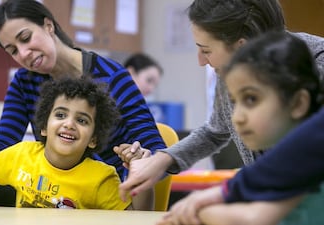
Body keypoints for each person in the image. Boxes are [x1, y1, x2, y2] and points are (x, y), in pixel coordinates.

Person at [0, 0, 165, 206]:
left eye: (26, 38)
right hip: (48, 190)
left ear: (48, 25)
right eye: (13, 50)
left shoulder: (112, 76)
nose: (24, 53)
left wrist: (136, 162)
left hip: (98, 195)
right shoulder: (24, 82)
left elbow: (157, 152)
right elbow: (3, 156)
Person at [116, 0, 324, 200]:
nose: (200, 61)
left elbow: (304, 159)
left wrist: (231, 191)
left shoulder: (317, 64)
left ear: (241, 47)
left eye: (206, 50)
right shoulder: (232, 69)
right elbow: (215, 130)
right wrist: (162, 160)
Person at [156, 31, 324, 225]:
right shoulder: (273, 166)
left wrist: (197, 212)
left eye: (251, 99)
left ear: (297, 103)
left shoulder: (300, 163)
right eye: (234, 102)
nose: (237, 117)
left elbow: (253, 219)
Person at [0, 77, 153, 210]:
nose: (69, 124)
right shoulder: (21, 155)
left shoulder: (101, 178)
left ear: (93, 139)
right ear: (43, 126)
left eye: (81, 120)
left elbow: (137, 218)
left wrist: (140, 172)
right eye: (60, 115)